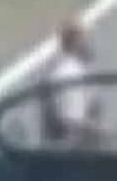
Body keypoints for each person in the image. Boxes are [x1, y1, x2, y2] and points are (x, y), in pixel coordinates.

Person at [41, 18, 102, 147]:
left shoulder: (62, 68)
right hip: (74, 148)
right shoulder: (70, 74)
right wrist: (103, 132)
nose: (89, 45)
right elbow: (72, 122)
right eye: (85, 41)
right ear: (75, 44)